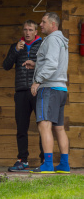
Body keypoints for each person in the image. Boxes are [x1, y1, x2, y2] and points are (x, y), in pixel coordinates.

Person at [24, 12, 70, 173]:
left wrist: (38, 80)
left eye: (43, 22)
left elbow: (51, 64)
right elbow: (53, 63)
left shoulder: (51, 40)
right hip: (61, 89)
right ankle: (64, 165)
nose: (40, 24)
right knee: (59, 128)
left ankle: (48, 164)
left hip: (49, 88)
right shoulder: (61, 40)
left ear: (53, 25)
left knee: (44, 125)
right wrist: (35, 64)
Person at [3, 20, 44, 172]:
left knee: (43, 126)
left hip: (38, 90)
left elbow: (48, 64)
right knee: (21, 128)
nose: (27, 32)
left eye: (30, 30)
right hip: (20, 92)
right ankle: (22, 160)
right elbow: (6, 66)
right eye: (25, 29)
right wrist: (15, 50)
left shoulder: (42, 45)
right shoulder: (16, 46)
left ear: (36, 32)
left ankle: (44, 160)